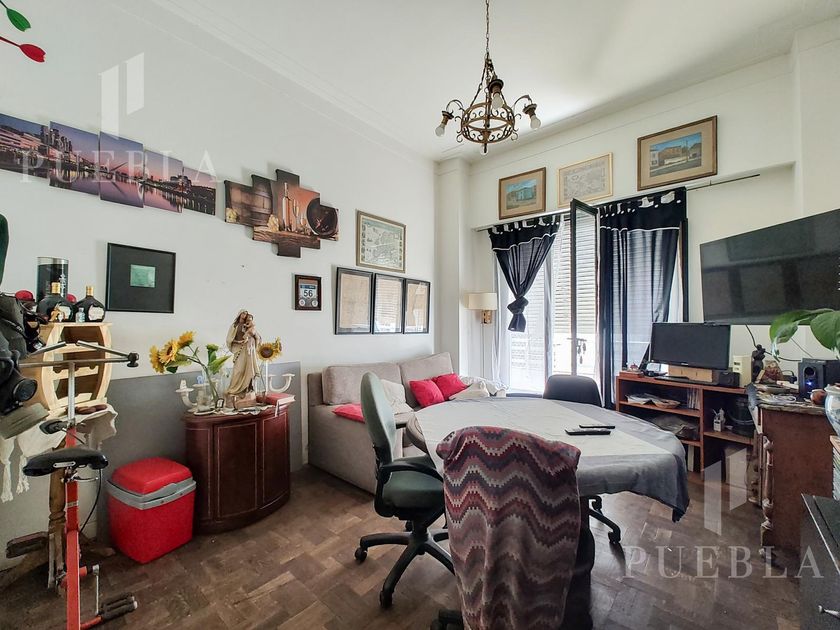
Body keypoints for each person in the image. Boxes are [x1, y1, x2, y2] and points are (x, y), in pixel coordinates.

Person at [225, 310, 261, 405]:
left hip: (248, 350)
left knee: (249, 369)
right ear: (239, 314)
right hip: (239, 349)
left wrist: (253, 336)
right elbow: (229, 339)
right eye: (243, 313)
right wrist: (238, 342)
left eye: (246, 314)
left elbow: (257, 337)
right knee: (238, 370)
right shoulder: (234, 326)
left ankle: (247, 388)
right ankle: (233, 389)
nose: (244, 315)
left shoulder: (248, 325)